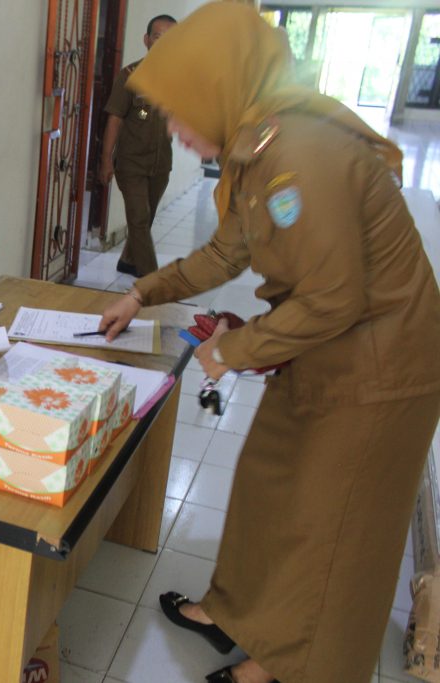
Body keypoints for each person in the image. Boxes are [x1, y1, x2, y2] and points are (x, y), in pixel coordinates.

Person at [99, 4, 440, 683]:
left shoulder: (299, 153)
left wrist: (233, 350)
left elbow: (333, 298)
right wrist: (142, 293)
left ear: (215, 90)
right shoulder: (254, 146)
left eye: (177, 111)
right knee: (268, 480)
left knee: (330, 526)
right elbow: (226, 253)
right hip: (327, 346)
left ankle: (290, 664)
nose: (173, 129)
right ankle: (236, 613)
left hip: (382, 369)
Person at [98, 14, 176, 278]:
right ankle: (152, 279)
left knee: (146, 217)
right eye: (157, 37)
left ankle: (128, 260)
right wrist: (106, 159)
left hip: (161, 164)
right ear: (147, 40)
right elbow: (115, 119)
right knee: (139, 219)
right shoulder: (130, 76)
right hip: (131, 163)